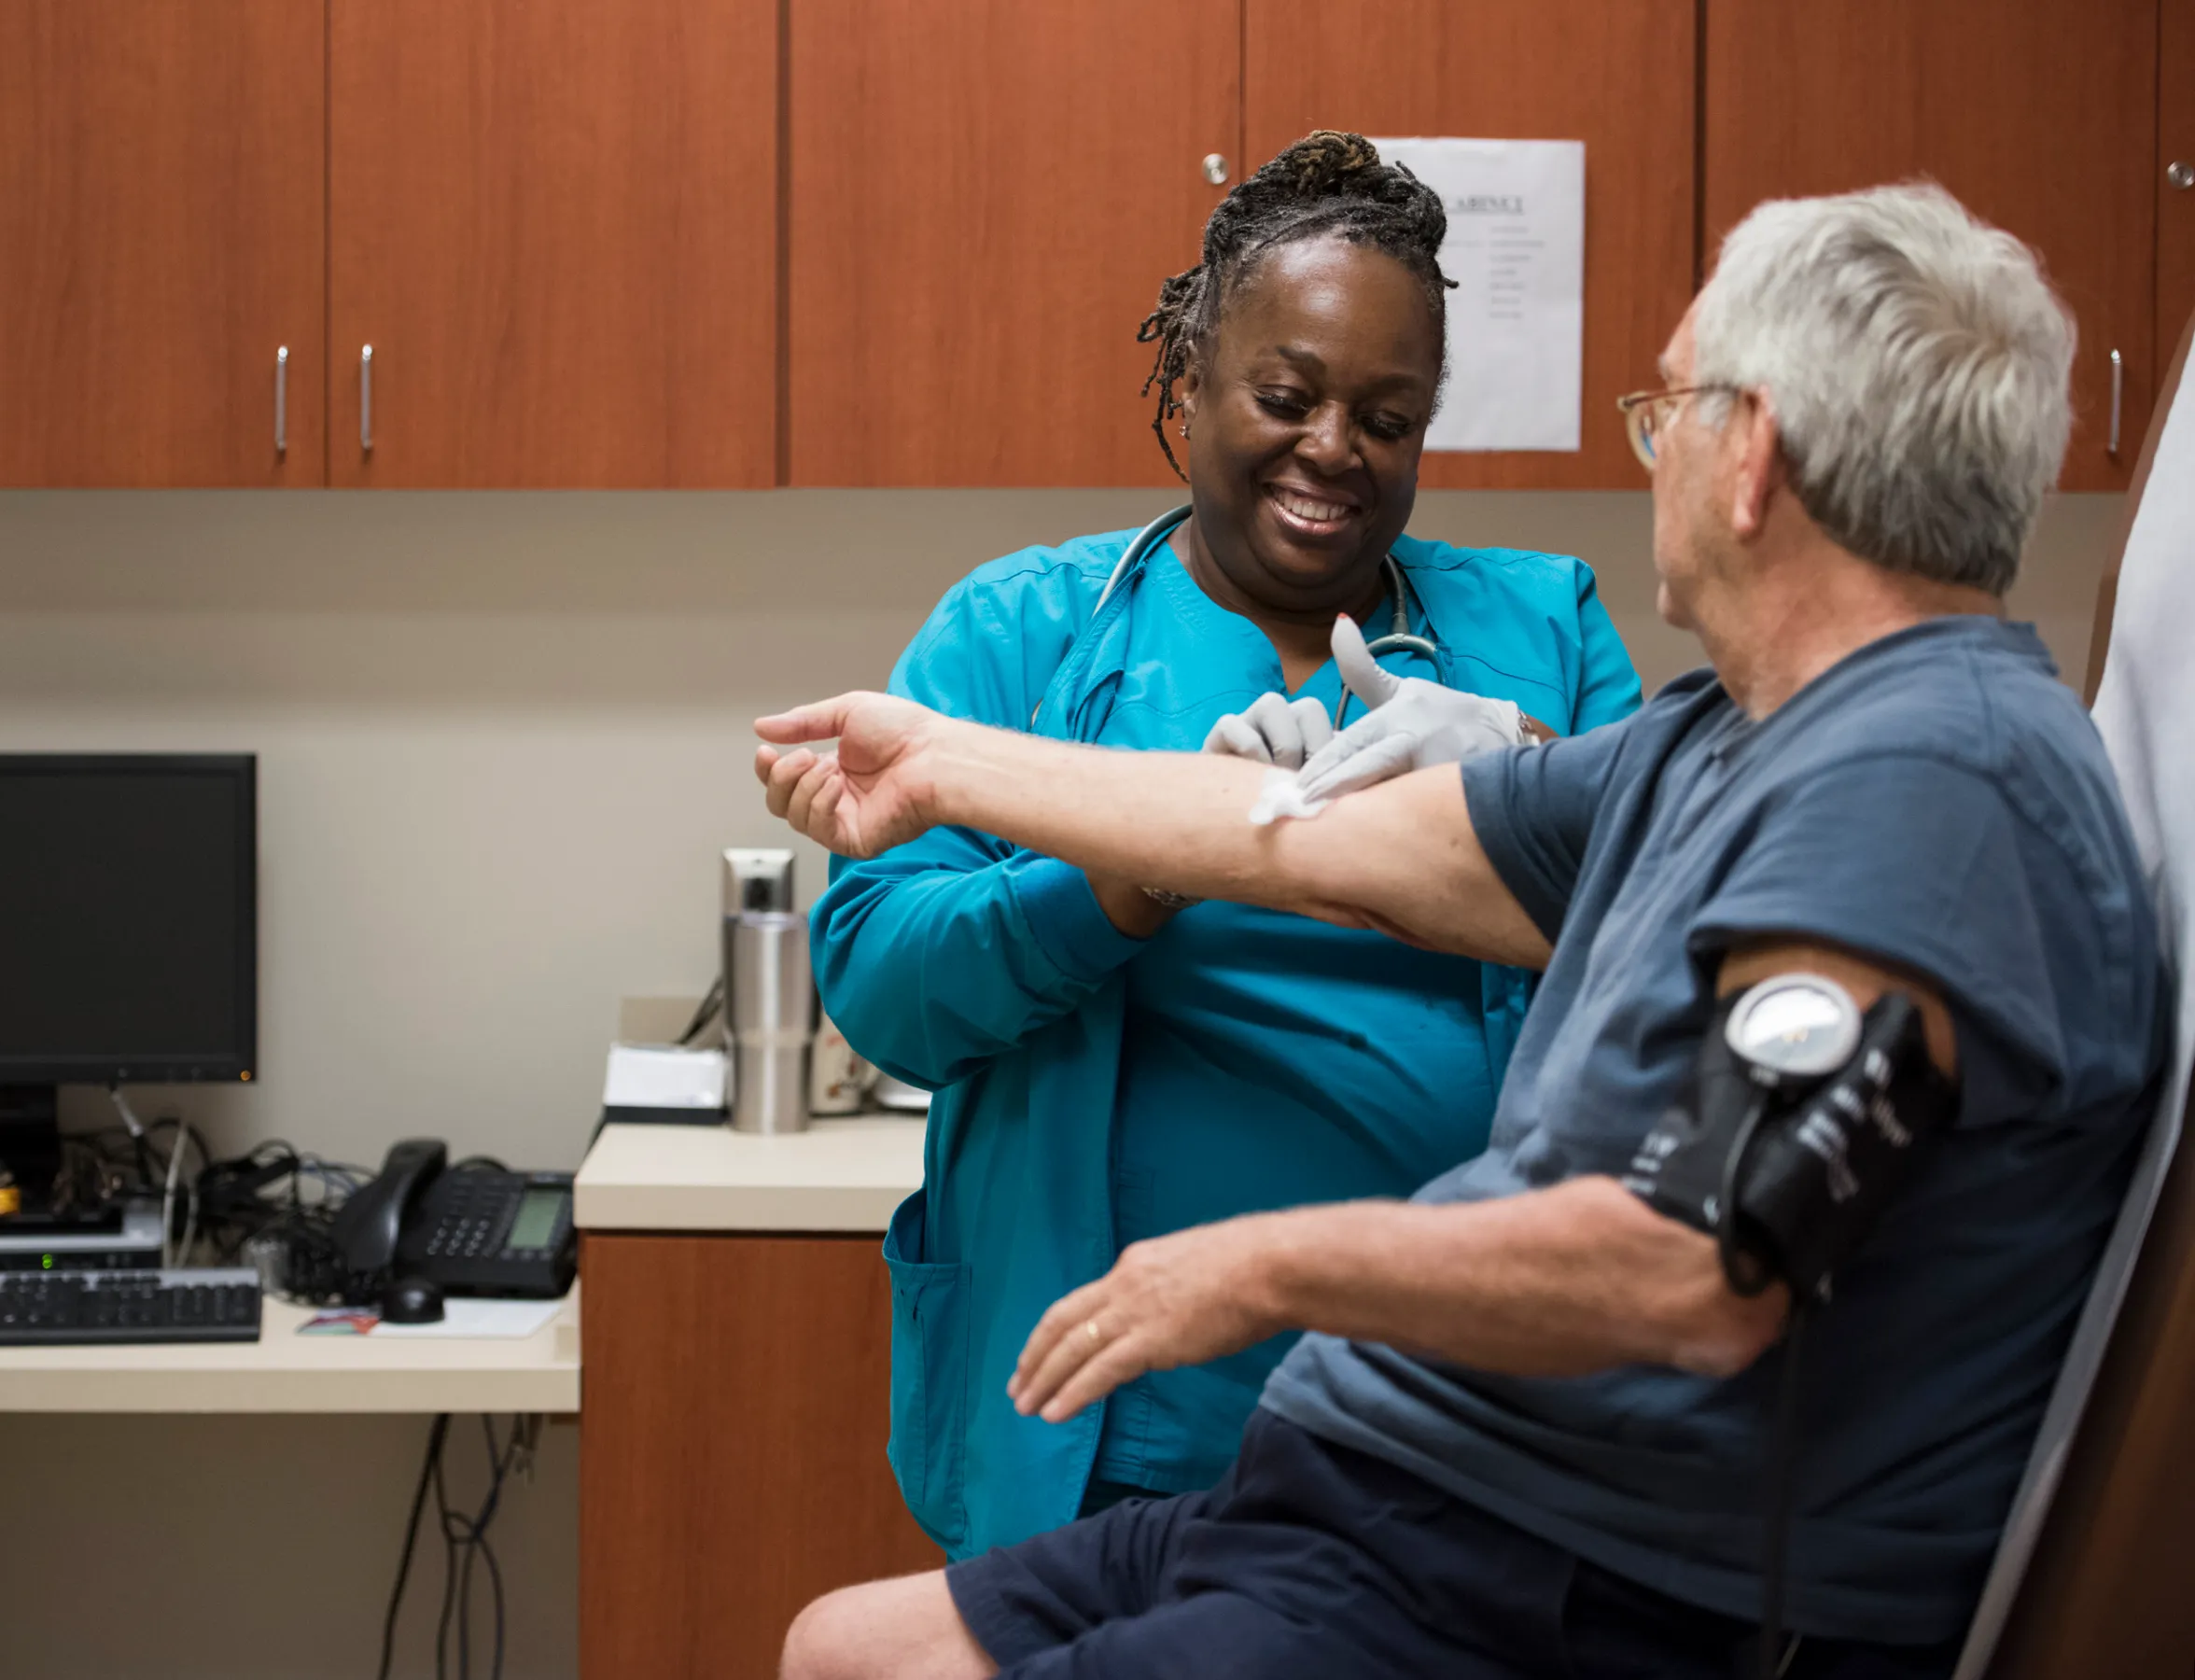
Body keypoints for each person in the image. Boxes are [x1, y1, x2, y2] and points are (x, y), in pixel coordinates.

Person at [758, 182, 2166, 1678]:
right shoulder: (1728, 739)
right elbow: (1323, 850)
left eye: (1663, 411)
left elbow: (1702, 1256)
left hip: (1552, 1567)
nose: (1651, 461)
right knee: (841, 1648)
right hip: (1404, 1486)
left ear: (1746, 455)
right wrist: (936, 759)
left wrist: (1261, 1269)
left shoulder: (1929, 791)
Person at [818, 130, 1641, 1558]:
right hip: (1122, 1433)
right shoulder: (1025, 634)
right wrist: (1127, 875)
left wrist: (1526, 792)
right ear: (1187, 386)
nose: (1336, 447)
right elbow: (882, 985)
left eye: (1389, 416)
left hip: (1454, 1427)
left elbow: (1678, 955)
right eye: (1286, 393)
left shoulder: (1542, 633)